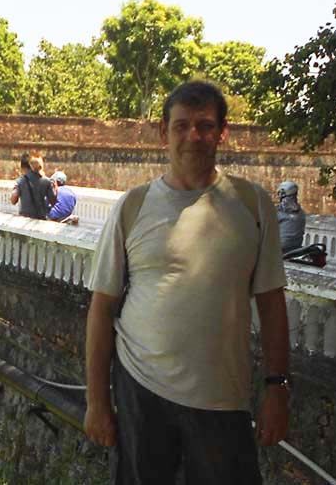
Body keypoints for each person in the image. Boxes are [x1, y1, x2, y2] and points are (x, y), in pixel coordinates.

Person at [83, 81, 291, 485]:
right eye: (181, 126)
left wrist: (278, 389)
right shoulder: (133, 206)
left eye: (204, 125)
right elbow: (102, 306)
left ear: (222, 132)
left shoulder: (251, 204)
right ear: (164, 133)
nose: (192, 136)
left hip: (222, 398)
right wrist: (97, 400)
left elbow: (271, 304)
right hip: (141, 388)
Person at [10, 153, 57, 219]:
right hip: (40, 218)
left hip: (24, 217)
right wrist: (55, 188)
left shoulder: (20, 180)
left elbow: (13, 200)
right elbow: (53, 201)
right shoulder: (46, 181)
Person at [277, 181, 306, 252]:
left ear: (282, 193)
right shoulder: (301, 212)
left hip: (281, 247)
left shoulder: (280, 210)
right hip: (296, 246)